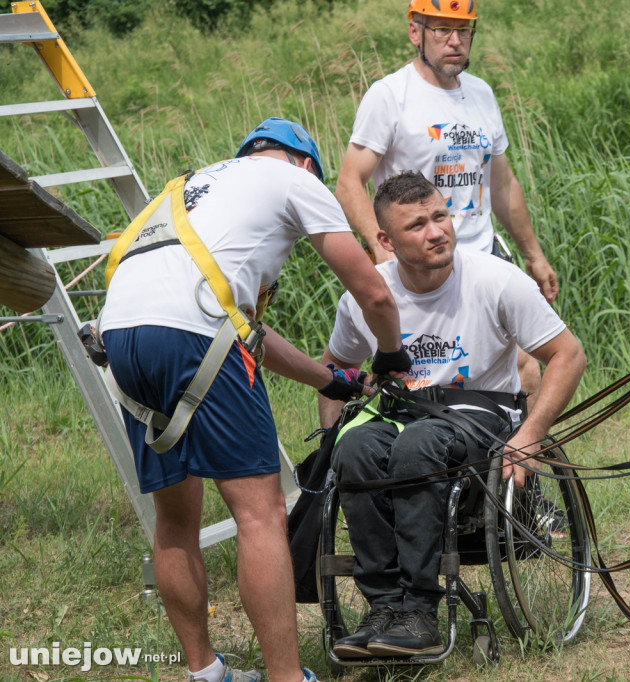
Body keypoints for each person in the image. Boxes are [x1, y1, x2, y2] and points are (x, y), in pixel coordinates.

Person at [99, 117, 411, 682]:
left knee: (174, 521)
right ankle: (288, 678)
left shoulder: (186, 189)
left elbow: (242, 334)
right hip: (191, 332)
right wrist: (390, 356)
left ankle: (205, 673)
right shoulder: (295, 180)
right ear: (305, 163)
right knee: (261, 512)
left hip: (121, 337)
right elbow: (372, 292)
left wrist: (328, 379)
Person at [318, 171, 586, 657]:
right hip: (403, 413)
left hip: (481, 415)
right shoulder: (369, 295)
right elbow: (335, 367)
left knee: (417, 447)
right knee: (355, 448)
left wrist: (531, 435)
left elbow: (568, 355)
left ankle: (419, 609)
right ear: (385, 240)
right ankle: (384, 608)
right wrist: (327, 438)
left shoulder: (495, 280)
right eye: (417, 225)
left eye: (440, 215)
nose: (436, 231)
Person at [335, 0, 558, 402]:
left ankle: (521, 457)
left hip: (480, 257)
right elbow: (350, 181)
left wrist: (534, 255)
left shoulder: (482, 94)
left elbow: (502, 183)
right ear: (415, 32)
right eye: (442, 30)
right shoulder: (390, 96)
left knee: (524, 364)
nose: (455, 42)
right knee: (421, 380)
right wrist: (382, 252)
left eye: (465, 31)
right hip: (418, 265)